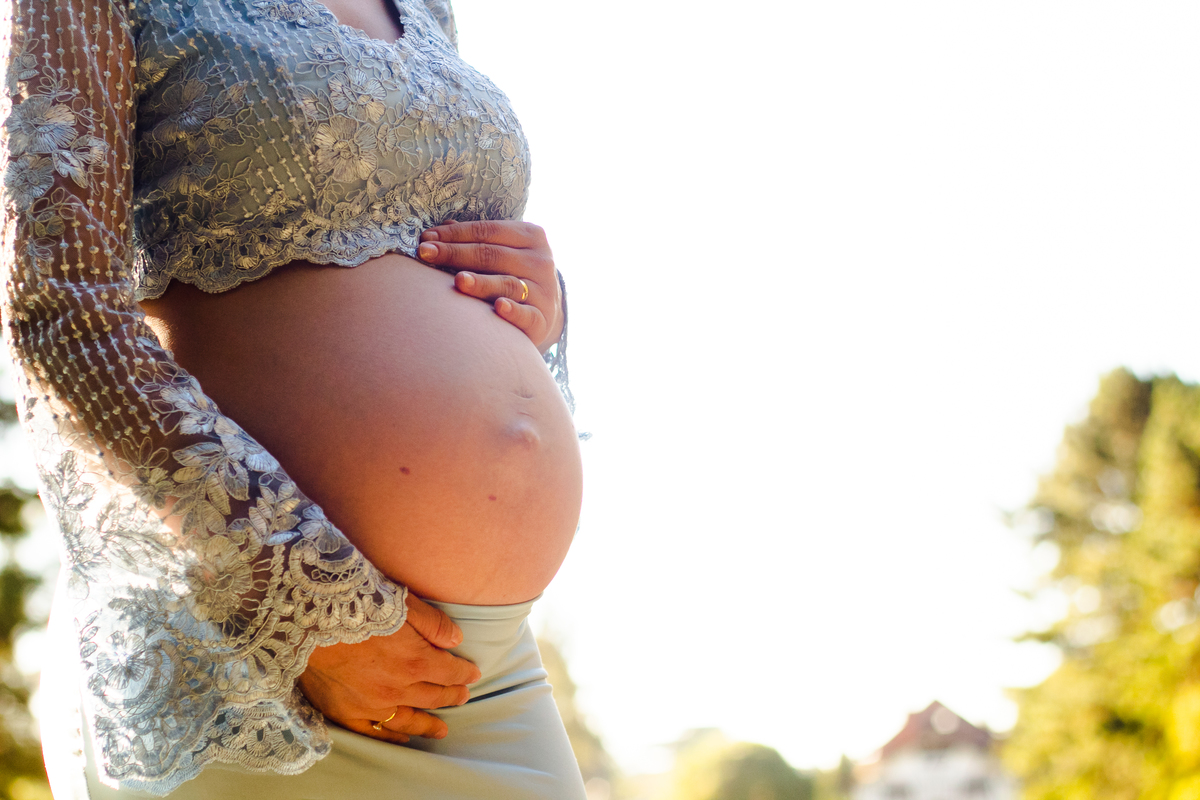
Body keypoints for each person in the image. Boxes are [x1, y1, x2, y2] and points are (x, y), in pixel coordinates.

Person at [0, 0, 587, 796]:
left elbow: (404, 240)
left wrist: (532, 299)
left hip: (472, 671)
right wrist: (291, 597)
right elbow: (59, 302)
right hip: (252, 654)